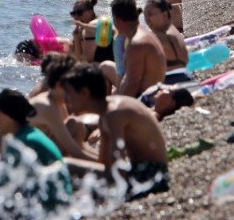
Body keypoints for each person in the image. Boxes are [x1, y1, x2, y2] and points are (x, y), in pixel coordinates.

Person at [61, 63, 170, 200]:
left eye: (68, 94)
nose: (65, 100)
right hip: (142, 172)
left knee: (65, 167)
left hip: (151, 179)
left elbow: (115, 169)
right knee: (66, 166)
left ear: (84, 93)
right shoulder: (106, 113)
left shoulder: (114, 114)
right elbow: (105, 163)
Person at [0, 88, 72, 218]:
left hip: (53, 211)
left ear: (9, 115)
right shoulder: (28, 134)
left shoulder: (22, 144)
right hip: (57, 202)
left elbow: (1, 186)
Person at [30, 54, 98, 161]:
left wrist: (103, 159)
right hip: (29, 160)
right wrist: (106, 164)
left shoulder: (58, 104)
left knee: (75, 124)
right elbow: (73, 149)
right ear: (58, 85)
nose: (75, 93)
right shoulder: (47, 106)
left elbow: (79, 146)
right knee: (75, 125)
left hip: (39, 153)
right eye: (72, 88)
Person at [106, 0, 165, 98]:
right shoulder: (144, 33)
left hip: (147, 98)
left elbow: (132, 86)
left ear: (117, 20)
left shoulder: (136, 44)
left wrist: (116, 103)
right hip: (154, 90)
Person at [68, 0, 114, 64]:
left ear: (90, 12)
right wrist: (76, 38)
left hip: (106, 66)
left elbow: (86, 61)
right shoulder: (82, 29)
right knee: (70, 44)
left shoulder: (96, 23)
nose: (76, 16)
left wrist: (83, 25)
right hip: (100, 65)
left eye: (79, 13)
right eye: (73, 14)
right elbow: (78, 59)